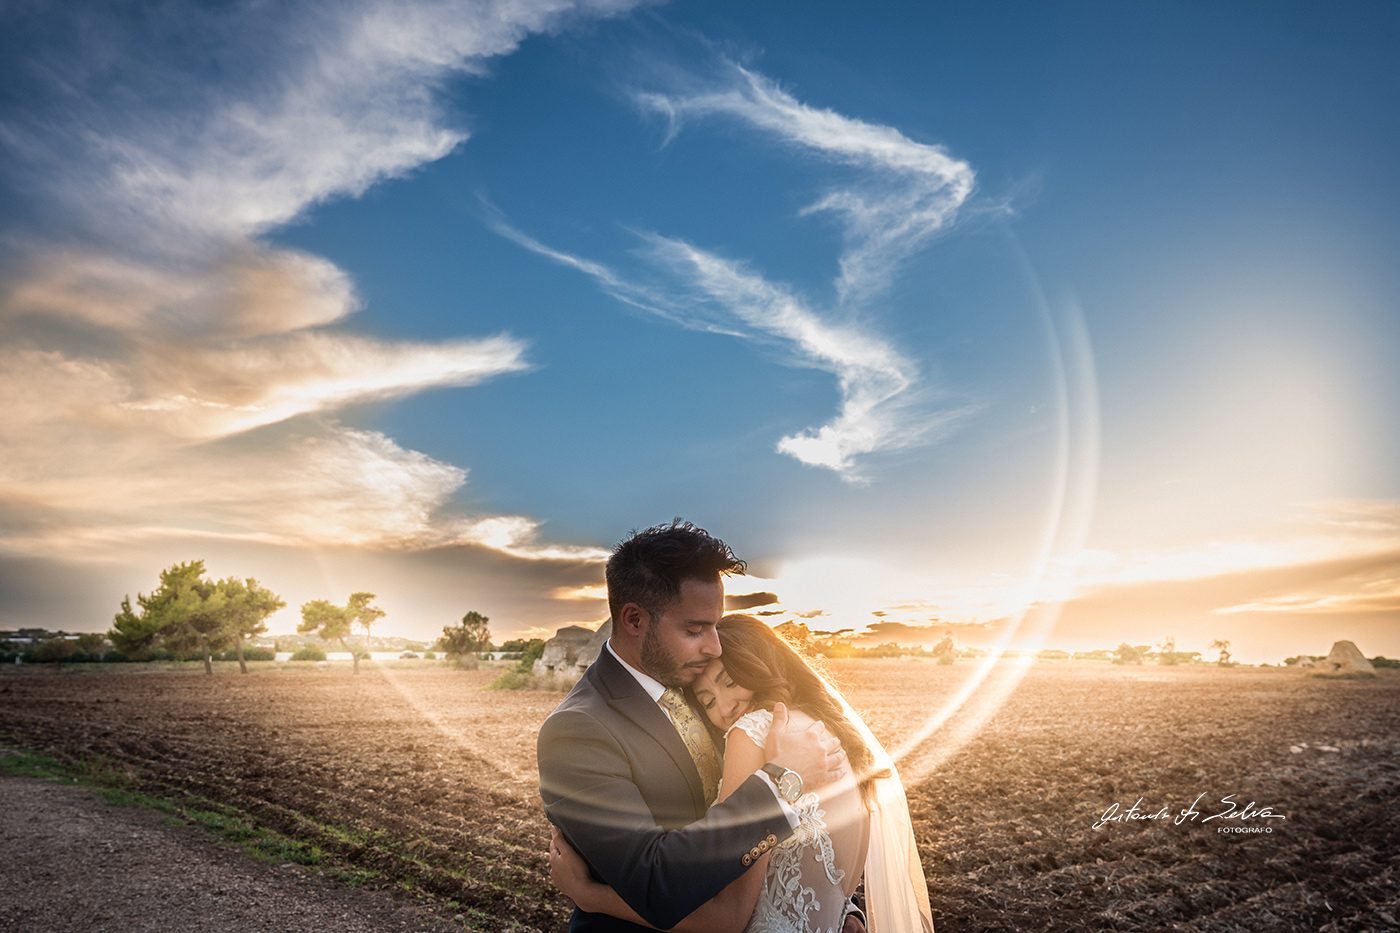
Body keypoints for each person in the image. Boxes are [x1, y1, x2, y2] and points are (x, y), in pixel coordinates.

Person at [537, 521, 851, 933]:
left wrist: (834, 910)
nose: (715, 646)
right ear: (634, 620)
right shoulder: (578, 730)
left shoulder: (701, 684)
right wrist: (781, 784)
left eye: (716, 626)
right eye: (694, 629)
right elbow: (655, 882)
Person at [551, 614, 935, 933]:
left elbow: (726, 917)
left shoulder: (752, 734)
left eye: (730, 682)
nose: (725, 708)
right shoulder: (832, 737)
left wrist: (587, 894)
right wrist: (844, 914)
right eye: (707, 701)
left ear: (759, 666)